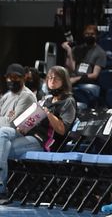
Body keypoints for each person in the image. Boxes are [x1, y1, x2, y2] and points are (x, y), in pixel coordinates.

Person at [0, 66, 76, 203]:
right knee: (3, 133)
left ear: (64, 81)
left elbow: (63, 130)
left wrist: (48, 114)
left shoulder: (68, 102)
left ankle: (2, 191)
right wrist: (23, 126)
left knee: (1, 148)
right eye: (50, 78)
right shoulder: (45, 99)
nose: (52, 81)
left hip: (44, 141)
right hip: (27, 134)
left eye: (56, 78)